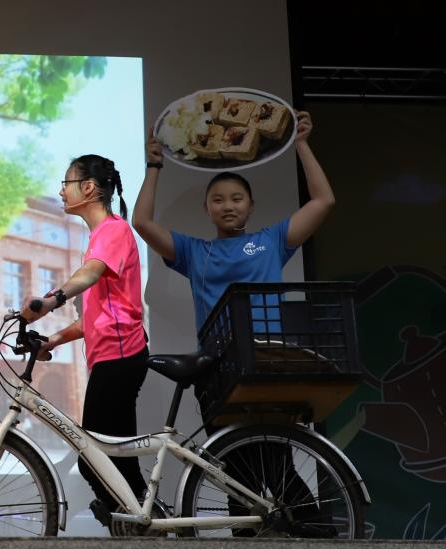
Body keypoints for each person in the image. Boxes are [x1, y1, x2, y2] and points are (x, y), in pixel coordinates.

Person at [132, 112, 335, 533]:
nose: (228, 206)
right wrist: (154, 167)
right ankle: (253, 536)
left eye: (237, 198)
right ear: (207, 208)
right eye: (219, 199)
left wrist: (300, 144)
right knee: (233, 472)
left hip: (267, 366)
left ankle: (319, 530)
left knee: (276, 464)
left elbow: (323, 202)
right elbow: (143, 224)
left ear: (250, 205)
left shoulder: (271, 241)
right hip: (217, 370)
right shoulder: (195, 252)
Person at [20, 154, 149, 522]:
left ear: (88, 188)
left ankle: (140, 524)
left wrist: (51, 300)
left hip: (121, 358)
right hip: (112, 359)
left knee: (94, 459)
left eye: (67, 182)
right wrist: (53, 340)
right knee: (111, 460)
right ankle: (142, 521)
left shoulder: (113, 230)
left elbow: (90, 275)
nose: (61, 191)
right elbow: (92, 318)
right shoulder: (100, 238)